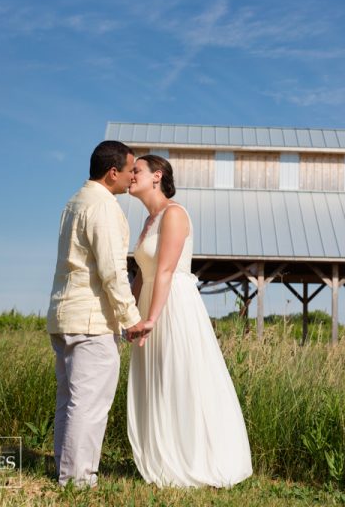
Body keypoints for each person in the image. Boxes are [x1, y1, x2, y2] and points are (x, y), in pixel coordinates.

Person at [126, 154, 253, 488]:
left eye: (136, 170)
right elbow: (142, 273)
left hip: (173, 305)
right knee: (155, 381)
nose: (130, 176)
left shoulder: (175, 213)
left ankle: (197, 458)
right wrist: (127, 313)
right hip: (148, 303)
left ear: (157, 176)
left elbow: (166, 269)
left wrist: (152, 317)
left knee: (179, 376)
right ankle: (162, 454)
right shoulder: (148, 221)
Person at [46, 140, 149, 488]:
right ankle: (77, 480)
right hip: (91, 320)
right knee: (89, 404)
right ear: (113, 173)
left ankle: (65, 468)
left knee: (70, 400)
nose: (133, 175)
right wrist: (130, 318)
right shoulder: (103, 207)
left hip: (63, 315)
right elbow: (112, 271)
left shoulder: (74, 201)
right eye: (130, 169)